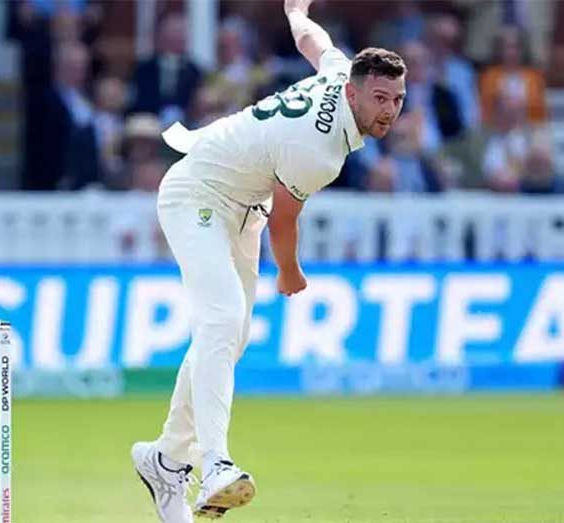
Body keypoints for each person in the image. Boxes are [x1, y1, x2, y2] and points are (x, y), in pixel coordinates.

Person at [130, 1, 407, 521]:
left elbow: (311, 41)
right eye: (379, 98)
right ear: (353, 92)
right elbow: (285, 223)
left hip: (241, 206)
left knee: (227, 337)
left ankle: (166, 460)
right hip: (197, 193)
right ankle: (214, 464)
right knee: (221, 320)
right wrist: (292, 272)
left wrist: (296, 11)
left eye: (396, 99)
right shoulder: (321, 151)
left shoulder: (342, 70)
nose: (389, 110)